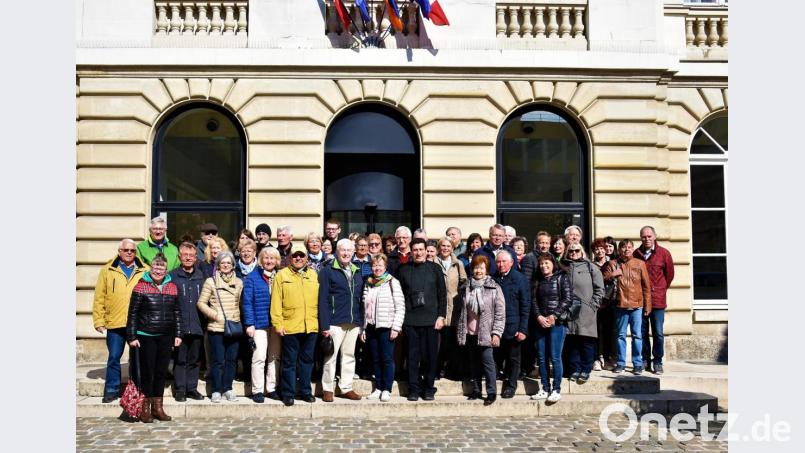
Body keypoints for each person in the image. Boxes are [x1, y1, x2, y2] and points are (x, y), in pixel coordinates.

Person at [126, 253, 182, 422]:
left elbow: (177, 312)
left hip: (166, 336)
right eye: (156, 267)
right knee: (147, 373)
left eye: (162, 268)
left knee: (160, 373)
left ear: (166, 270)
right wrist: (132, 335)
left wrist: (178, 334)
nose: (158, 270)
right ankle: (145, 409)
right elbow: (133, 313)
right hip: (145, 336)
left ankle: (158, 408)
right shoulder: (140, 286)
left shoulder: (172, 286)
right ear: (151, 268)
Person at [92, 238, 148, 403]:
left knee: (137, 359)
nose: (129, 253)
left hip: (137, 323)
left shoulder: (145, 270)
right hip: (115, 322)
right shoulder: (108, 269)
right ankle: (111, 389)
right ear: (119, 251)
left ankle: (136, 389)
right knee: (114, 357)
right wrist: (98, 320)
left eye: (132, 250)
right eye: (126, 250)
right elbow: (99, 296)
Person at [397, 238, 447, 401]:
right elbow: (399, 296)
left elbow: (442, 294)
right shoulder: (403, 269)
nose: (418, 253)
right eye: (415, 250)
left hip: (431, 320)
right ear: (411, 252)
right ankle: (413, 388)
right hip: (410, 320)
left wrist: (441, 316)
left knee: (430, 357)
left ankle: (428, 387)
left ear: (426, 251)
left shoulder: (435, 269)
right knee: (412, 357)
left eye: (421, 249)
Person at [271, 244, 320, 406]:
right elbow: (276, 301)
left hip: (310, 325)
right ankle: (288, 393)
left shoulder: (313, 275)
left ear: (307, 258)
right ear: (289, 258)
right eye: (295, 256)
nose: (298, 258)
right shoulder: (282, 275)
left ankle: (305, 391)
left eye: (301, 256)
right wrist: (278, 323)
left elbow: (320, 301)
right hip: (290, 325)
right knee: (289, 362)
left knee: (307, 361)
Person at [318, 239, 365, 402]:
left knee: (349, 356)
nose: (346, 253)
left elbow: (359, 300)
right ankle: (327, 388)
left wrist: (360, 323)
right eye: (342, 250)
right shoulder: (327, 270)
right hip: (334, 321)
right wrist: (324, 325)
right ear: (336, 252)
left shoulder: (357, 271)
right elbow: (322, 299)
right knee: (330, 357)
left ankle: (346, 387)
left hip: (352, 322)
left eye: (349, 250)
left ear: (353, 253)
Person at [456, 255, 505, 405]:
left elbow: (500, 312)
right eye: (476, 267)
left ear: (487, 270)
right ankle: (476, 390)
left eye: (481, 268)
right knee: (474, 363)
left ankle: (491, 392)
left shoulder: (494, 287)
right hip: (470, 332)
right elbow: (462, 311)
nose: (478, 270)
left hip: (486, 332)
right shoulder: (466, 287)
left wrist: (496, 333)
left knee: (487, 363)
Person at [196, 251, 244, 402]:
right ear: (217, 265)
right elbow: (201, 303)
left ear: (233, 265)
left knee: (231, 360)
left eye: (228, 263)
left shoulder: (239, 282)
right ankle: (216, 390)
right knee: (217, 361)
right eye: (222, 263)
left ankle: (228, 389)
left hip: (234, 327)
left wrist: (239, 318)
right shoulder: (211, 281)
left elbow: (242, 304)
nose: (225, 265)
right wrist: (214, 315)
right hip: (216, 327)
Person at [360, 254, 405, 402]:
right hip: (372, 326)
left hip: (386, 326)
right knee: (376, 359)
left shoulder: (392, 282)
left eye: (380, 265)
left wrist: (396, 327)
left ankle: (387, 388)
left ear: (385, 267)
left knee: (387, 358)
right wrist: (363, 328)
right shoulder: (368, 283)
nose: (377, 268)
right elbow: (364, 308)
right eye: (374, 265)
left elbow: (400, 307)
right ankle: (378, 387)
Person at [603, 240, 652, 375]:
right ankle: (621, 363)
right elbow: (602, 278)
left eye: (629, 247)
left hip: (637, 305)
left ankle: (637, 363)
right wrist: (613, 274)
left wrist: (648, 305)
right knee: (620, 335)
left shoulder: (640, 263)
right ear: (619, 250)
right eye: (624, 248)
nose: (626, 250)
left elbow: (646, 287)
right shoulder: (612, 264)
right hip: (620, 305)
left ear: (633, 249)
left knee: (637, 335)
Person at [169, 242, 209, 402]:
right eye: (185, 255)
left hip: (198, 325)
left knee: (194, 360)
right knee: (180, 359)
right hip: (180, 326)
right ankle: (180, 389)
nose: (188, 258)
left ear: (195, 258)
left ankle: (191, 388)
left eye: (191, 255)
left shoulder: (202, 276)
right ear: (179, 257)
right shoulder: (172, 276)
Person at [242, 246, 282, 403]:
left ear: (277, 261)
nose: (269, 261)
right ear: (261, 260)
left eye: (272, 258)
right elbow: (247, 303)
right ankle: (257, 389)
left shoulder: (279, 277)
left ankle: (271, 388)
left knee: (274, 357)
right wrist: (249, 324)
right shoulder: (252, 277)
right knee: (259, 357)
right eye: (266, 258)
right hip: (259, 324)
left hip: (276, 324)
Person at [531, 253, 572, 403]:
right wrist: (539, 317)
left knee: (555, 357)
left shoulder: (562, 277)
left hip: (557, 324)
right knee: (542, 358)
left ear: (553, 264)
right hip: (540, 323)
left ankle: (556, 389)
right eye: (541, 264)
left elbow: (567, 299)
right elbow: (533, 301)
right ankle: (545, 388)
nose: (544, 266)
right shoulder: (537, 280)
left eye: (547, 263)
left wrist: (554, 315)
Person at [633, 226, 675, 375]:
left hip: (657, 300)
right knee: (642, 332)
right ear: (641, 238)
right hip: (641, 300)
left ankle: (657, 361)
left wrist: (660, 289)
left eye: (649, 236)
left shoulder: (664, 254)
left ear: (655, 237)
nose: (647, 239)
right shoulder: (636, 254)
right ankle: (645, 359)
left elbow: (669, 276)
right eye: (644, 237)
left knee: (658, 332)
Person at [562, 243, 604, 384]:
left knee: (586, 341)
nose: (573, 252)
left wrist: (593, 305)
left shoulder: (590, 267)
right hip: (569, 311)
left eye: (577, 250)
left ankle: (586, 369)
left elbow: (600, 288)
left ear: (582, 251)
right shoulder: (564, 267)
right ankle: (575, 369)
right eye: (571, 250)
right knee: (572, 341)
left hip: (586, 310)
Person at [492, 250, 530, 398]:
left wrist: (523, 329)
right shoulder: (492, 279)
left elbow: (525, 306)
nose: (501, 265)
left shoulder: (520, 279)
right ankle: (495, 383)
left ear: (511, 263)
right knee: (496, 357)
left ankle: (511, 386)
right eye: (498, 262)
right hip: (496, 327)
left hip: (514, 326)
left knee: (513, 359)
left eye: (504, 262)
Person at [434, 236, 467, 380]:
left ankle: (453, 370)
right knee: (438, 343)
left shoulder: (458, 264)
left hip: (454, 308)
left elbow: (464, 282)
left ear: (452, 248)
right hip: (438, 308)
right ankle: (436, 370)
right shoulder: (433, 263)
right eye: (443, 246)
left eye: (448, 246)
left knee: (453, 343)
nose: (445, 248)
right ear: (439, 248)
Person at [591, 238, 615, 371]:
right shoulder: (591, 264)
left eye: (601, 248)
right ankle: (595, 359)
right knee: (595, 332)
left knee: (608, 332)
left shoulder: (612, 263)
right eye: (596, 249)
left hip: (610, 303)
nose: (599, 251)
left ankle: (607, 358)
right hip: (596, 303)